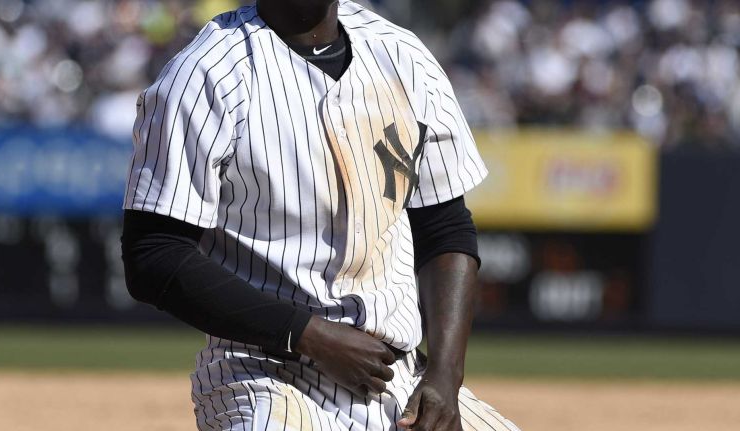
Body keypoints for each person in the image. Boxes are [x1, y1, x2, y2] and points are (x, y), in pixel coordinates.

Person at [121, 1, 520, 429]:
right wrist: (307, 333)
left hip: (398, 377)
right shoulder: (206, 73)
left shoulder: (403, 55)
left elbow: (445, 226)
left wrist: (445, 375)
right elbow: (154, 254)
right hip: (261, 373)